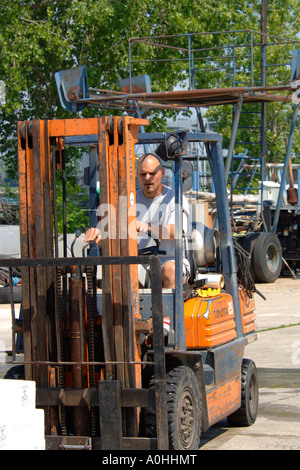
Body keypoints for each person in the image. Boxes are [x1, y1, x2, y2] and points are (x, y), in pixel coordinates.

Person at [84, 153, 190, 288]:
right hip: (136, 262)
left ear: (162, 173)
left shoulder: (174, 199)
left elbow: (177, 231)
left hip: (168, 261)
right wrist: (99, 235)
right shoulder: (128, 200)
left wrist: (148, 227)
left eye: (152, 173)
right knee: (110, 273)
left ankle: (167, 309)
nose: (147, 178)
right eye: (143, 174)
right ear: (137, 174)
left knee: (171, 271)